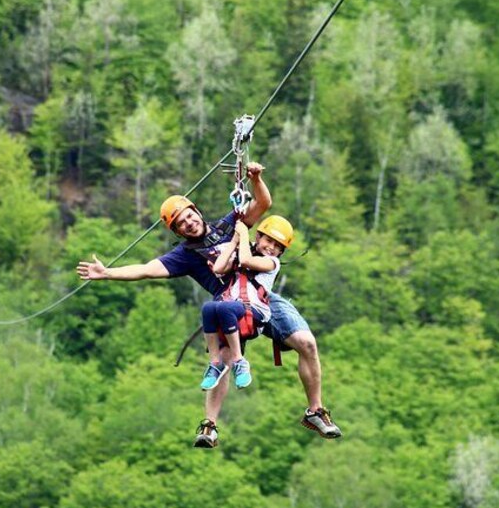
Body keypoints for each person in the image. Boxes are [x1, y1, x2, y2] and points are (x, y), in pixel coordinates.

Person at [76, 162, 342, 448]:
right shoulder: (185, 255)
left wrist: (256, 178)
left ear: (197, 212)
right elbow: (147, 269)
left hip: (261, 295)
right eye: (181, 223)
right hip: (228, 301)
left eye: (189, 216)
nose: (189, 223)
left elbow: (263, 202)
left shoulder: (228, 225)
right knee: (223, 361)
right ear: (178, 231)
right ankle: (209, 425)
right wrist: (109, 274)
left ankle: (315, 410)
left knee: (308, 343)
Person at [198, 216, 290, 393]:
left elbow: (247, 261)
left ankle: (239, 361)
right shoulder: (242, 253)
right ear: (259, 237)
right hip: (234, 309)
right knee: (208, 308)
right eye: (268, 241)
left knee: (224, 308)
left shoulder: (272, 262)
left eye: (277, 247)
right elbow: (218, 269)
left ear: (280, 253)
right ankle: (215, 363)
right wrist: (234, 241)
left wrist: (243, 233)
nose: (271, 248)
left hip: (254, 312)